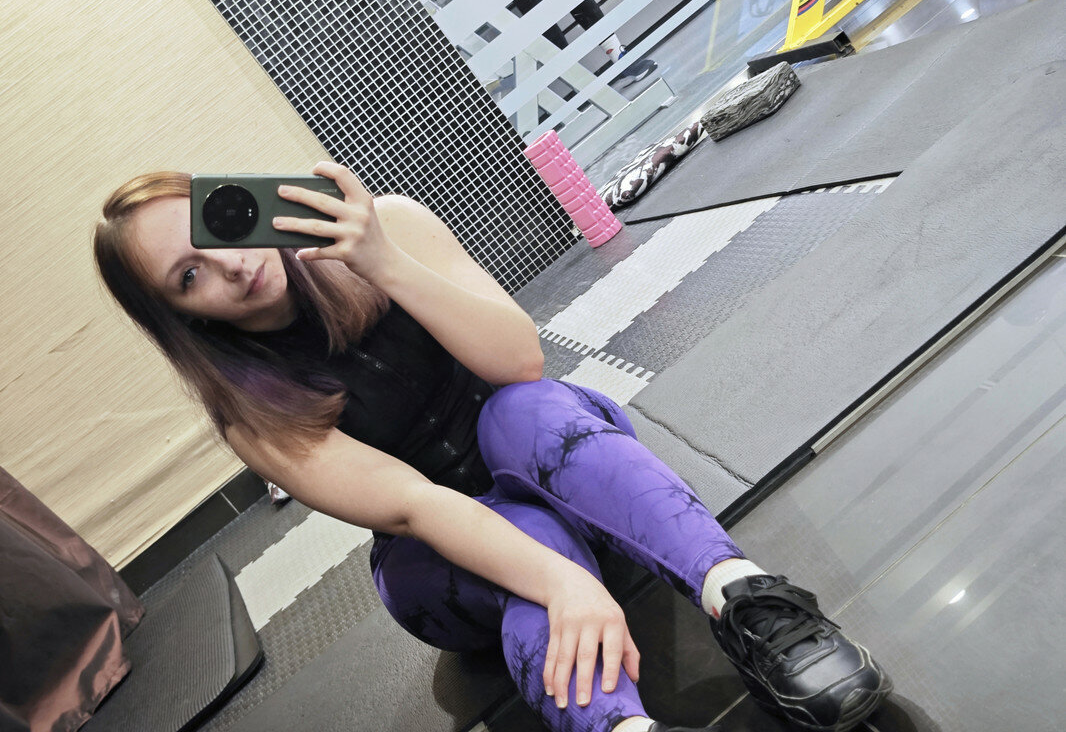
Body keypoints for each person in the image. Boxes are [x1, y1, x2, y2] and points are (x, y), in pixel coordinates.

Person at [92, 162, 891, 732]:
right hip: (441, 554)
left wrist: (381, 261)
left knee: (522, 409)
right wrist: (558, 583)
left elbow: (519, 361)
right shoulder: (249, 415)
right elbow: (416, 506)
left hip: (558, 456)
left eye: (218, 226)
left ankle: (749, 602)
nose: (232, 266)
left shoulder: (395, 225)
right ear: (182, 317)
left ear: (239, 200)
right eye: (189, 277)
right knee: (531, 550)